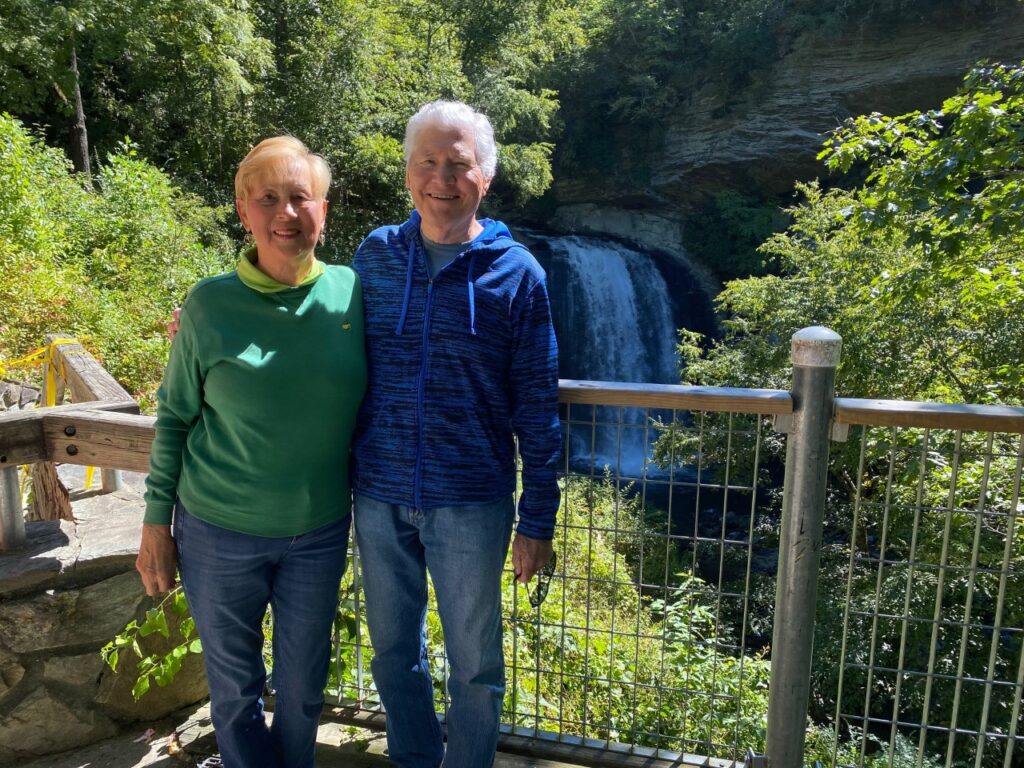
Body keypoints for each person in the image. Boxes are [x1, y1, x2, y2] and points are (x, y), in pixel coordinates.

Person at [136, 136, 366, 768]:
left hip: (318, 530)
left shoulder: (354, 295)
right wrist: (156, 523)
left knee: (302, 685)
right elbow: (176, 417)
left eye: (301, 197)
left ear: (325, 209)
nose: (286, 213)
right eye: (269, 198)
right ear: (244, 211)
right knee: (234, 689)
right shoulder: (209, 304)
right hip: (217, 530)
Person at [351, 100, 561, 768]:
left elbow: (538, 403)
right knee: (392, 655)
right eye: (429, 162)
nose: (443, 176)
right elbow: (311, 330)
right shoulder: (374, 256)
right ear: (409, 172)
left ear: (485, 176)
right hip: (378, 493)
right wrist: (220, 326)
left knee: (476, 665)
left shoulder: (519, 273)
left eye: (459, 163)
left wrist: (539, 517)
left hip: (472, 501)